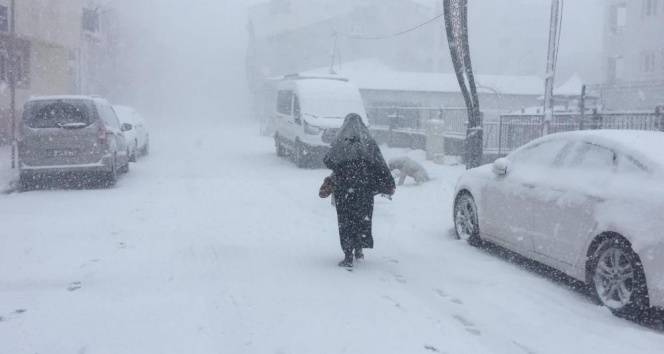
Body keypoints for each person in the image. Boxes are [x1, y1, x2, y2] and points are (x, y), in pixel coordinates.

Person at [322, 113, 396, 268]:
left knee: (345, 221)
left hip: (344, 189)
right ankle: (359, 249)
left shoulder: (340, 142)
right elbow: (379, 163)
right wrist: (387, 182)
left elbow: (328, 160)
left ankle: (348, 255)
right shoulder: (368, 142)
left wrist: (343, 165)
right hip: (364, 189)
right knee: (362, 219)